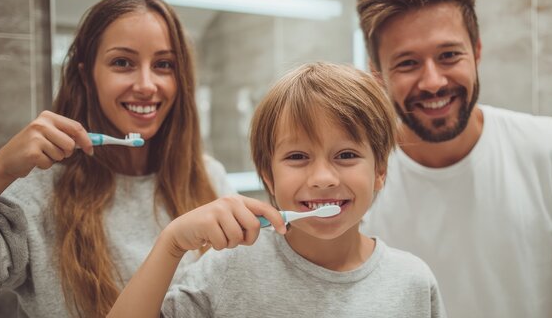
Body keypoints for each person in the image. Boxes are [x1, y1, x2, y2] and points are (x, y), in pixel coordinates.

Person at [355, 0, 552, 318]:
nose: (433, 81)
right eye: (407, 63)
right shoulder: (355, 174)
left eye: (449, 55)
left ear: (477, 51)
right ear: (377, 74)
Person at [108, 62, 446, 318]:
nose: (323, 177)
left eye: (346, 155)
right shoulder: (229, 268)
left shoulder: (412, 282)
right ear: (268, 176)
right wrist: (172, 244)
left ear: (380, 170)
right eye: (297, 156)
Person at [0, 0, 235, 317]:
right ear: (87, 76)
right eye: (123, 63)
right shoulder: (38, 193)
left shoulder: (208, 178)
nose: (146, 84)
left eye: (163, 65)